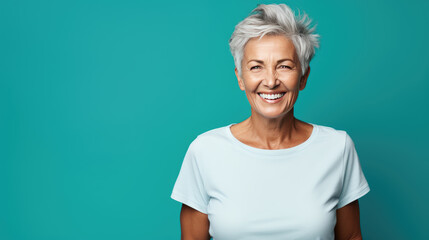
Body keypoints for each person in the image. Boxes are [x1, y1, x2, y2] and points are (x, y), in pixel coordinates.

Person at [170, 3, 370, 240]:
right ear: (241, 78)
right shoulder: (205, 151)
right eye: (256, 67)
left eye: (284, 66)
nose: (271, 81)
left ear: (303, 77)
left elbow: (350, 237)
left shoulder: (338, 147)